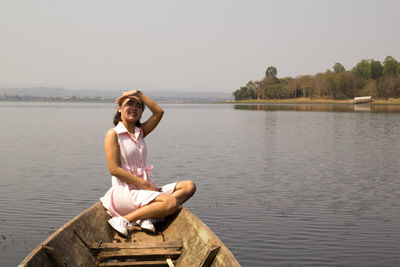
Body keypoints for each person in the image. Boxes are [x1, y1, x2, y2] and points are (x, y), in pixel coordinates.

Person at [100, 89, 196, 236]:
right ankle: (124, 219)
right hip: (126, 193)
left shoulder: (140, 132)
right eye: (129, 104)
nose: (134, 108)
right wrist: (146, 185)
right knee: (171, 203)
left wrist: (139, 93)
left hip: (144, 191)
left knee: (189, 186)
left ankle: (147, 215)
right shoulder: (113, 134)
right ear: (119, 108)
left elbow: (159, 112)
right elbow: (114, 170)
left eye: (139, 105)